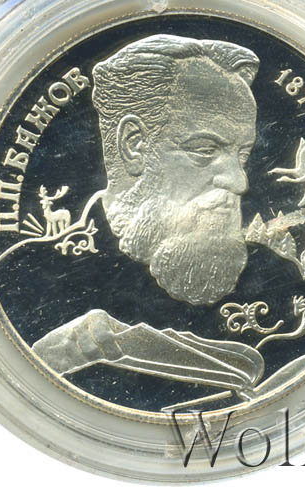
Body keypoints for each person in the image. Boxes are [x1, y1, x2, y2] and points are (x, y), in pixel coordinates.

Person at [33, 34, 265, 398]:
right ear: (134, 146)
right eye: (205, 150)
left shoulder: (281, 275)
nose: (239, 182)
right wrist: (42, 362)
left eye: (243, 154)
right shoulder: (32, 272)